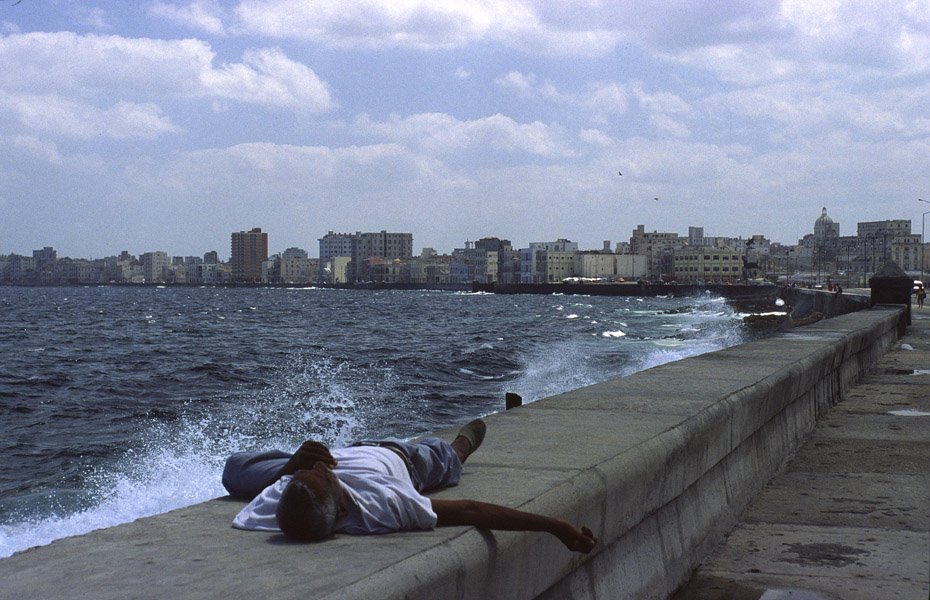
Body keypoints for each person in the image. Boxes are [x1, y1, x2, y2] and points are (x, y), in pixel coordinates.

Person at [222, 419, 597, 554]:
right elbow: (471, 511)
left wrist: (295, 465)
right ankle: (461, 445)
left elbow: (242, 477)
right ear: (341, 511)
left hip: (346, 451)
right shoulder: (384, 505)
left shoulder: (278, 505)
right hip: (402, 458)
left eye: (312, 471)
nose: (321, 466)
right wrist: (553, 526)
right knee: (445, 459)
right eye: (323, 475)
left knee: (236, 473)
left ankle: (289, 462)